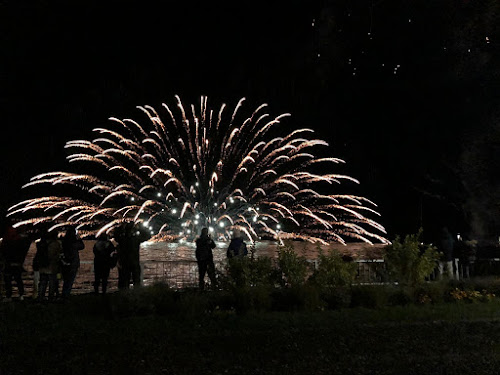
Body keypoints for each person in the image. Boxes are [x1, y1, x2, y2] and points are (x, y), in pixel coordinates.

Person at [1, 224, 31, 301]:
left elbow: (3, 253)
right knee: (18, 279)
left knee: (8, 280)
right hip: (17, 264)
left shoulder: (6, 242)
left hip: (8, 264)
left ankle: (9, 296)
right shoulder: (20, 241)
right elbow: (22, 252)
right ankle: (21, 295)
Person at [114, 222, 149, 289]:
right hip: (134, 263)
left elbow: (115, 236)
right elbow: (147, 236)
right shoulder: (135, 239)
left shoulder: (122, 239)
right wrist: (141, 228)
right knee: (136, 282)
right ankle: (135, 295)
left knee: (124, 282)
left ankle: (124, 295)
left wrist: (120, 227)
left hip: (125, 263)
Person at [38, 230, 62, 301]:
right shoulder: (56, 244)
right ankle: (51, 297)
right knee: (52, 282)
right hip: (52, 266)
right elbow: (55, 255)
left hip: (42, 266)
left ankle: (40, 297)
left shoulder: (42, 243)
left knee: (43, 282)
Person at [61, 226, 85, 298]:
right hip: (73, 263)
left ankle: (63, 294)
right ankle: (66, 294)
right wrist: (79, 238)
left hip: (65, 263)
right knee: (70, 280)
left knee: (66, 280)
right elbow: (82, 246)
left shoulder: (64, 242)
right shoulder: (74, 243)